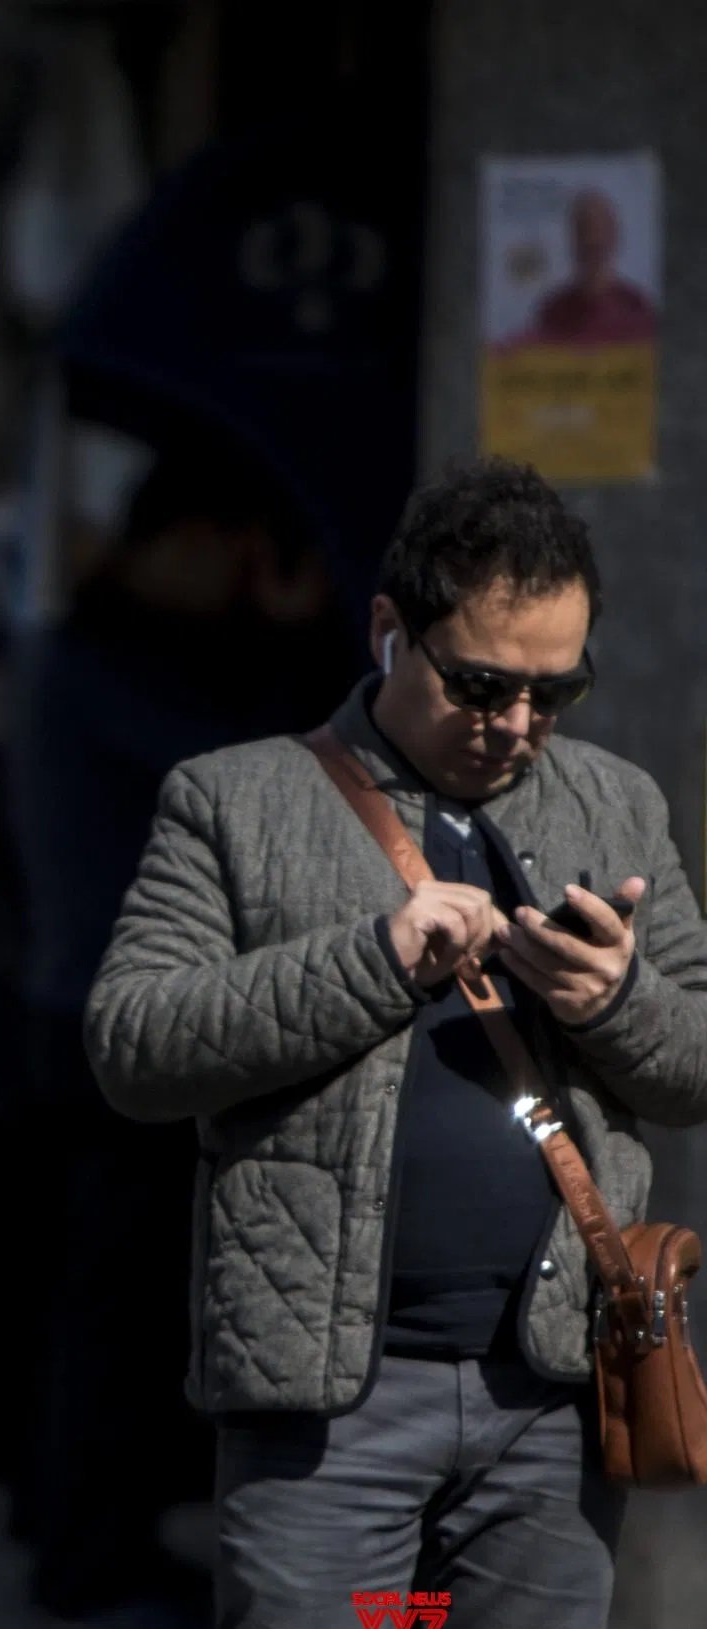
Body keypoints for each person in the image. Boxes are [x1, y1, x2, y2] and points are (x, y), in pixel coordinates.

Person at [86, 456, 707, 1629]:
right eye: (479, 686)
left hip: (557, 1392)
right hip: (328, 1407)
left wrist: (614, 998)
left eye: (552, 692)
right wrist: (370, 960)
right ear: (388, 633)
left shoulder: (617, 804)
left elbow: (699, 1063)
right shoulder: (234, 801)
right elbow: (133, 1046)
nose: (515, 726)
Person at [0, 443, 357, 1618]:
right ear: (168, 544)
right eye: (222, 550)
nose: (236, 575)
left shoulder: (127, 649)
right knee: (112, 1300)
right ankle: (85, 1546)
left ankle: (93, 1533)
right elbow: (259, 772)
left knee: (128, 1297)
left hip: (125, 1019)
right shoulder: (99, 657)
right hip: (107, 1028)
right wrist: (300, 628)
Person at [524, 189, 657, 347]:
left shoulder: (638, 310)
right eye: (584, 232)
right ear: (573, 241)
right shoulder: (552, 312)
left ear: (615, 238)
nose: (592, 239)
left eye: (600, 232)